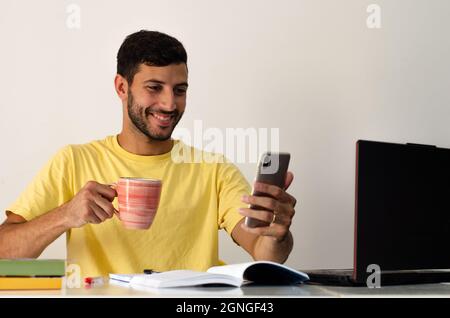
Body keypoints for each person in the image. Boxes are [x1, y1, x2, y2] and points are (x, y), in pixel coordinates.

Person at [0, 30, 297, 277]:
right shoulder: (73, 161)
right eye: (154, 88)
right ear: (121, 87)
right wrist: (66, 215)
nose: (169, 104)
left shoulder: (213, 169)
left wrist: (277, 233)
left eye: (179, 90)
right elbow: (4, 253)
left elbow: (264, 252)